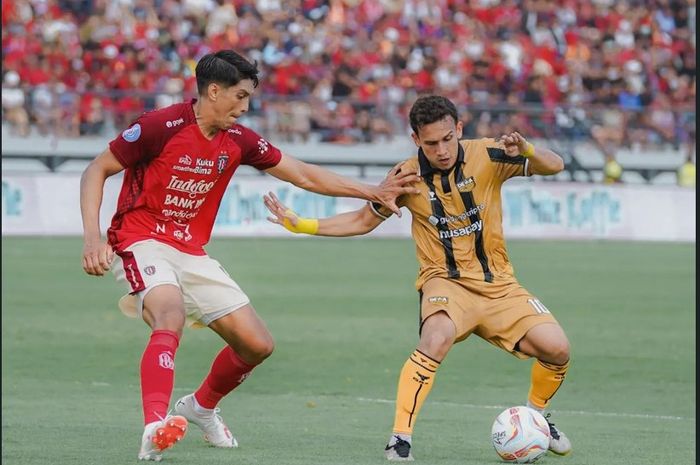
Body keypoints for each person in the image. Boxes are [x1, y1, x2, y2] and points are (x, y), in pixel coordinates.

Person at [79, 49, 420, 462]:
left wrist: (372, 191)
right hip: (140, 238)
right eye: (239, 96)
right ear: (214, 90)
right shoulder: (160, 126)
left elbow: (303, 173)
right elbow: (96, 170)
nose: (244, 107)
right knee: (167, 314)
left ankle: (201, 407)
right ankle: (154, 426)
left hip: (190, 249)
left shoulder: (238, 141)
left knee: (257, 345)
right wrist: (92, 239)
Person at [264, 95, 573, 461]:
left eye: (447, 138)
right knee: (435, 338)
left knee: (557, 348)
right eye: (430, 143)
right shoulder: (406, 176)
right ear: (415, 140)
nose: (441, 150)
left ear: (459, 129)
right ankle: (399, 439)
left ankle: (535, 418)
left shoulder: (490, 154)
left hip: (499, 284)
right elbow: (362, 221)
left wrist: (529, 149)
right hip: (444, 282)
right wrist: (303, 225)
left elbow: (555, 165)